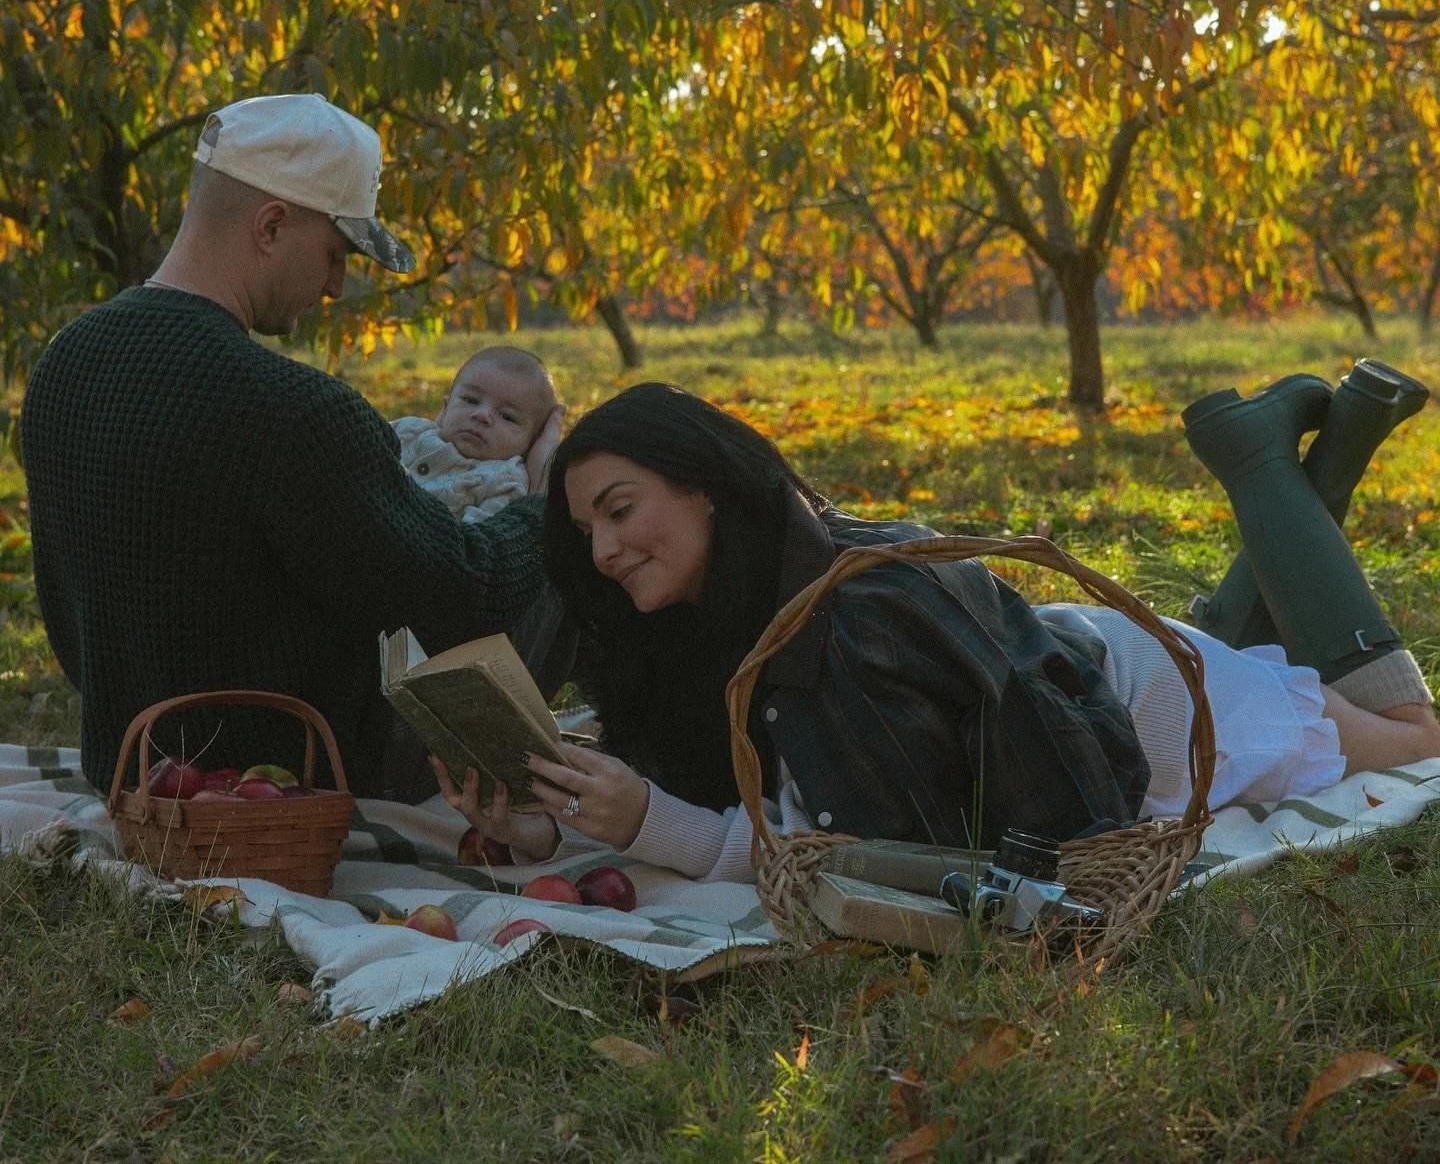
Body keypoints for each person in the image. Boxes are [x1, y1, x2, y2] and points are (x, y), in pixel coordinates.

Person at [434, 378, 1440, 884]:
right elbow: (742, 791)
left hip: (1145, 704)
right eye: (583, 530)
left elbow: (881, 855)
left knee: (1414, 740)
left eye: (620, 510)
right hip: (1069, 651)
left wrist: (656, 823)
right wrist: (542, 819)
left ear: (707, 490)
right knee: (1259, 647)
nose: (603, 551)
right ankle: (1318, 452)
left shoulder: (850, 626)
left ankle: (1268, 458)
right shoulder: (709, 618)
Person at [21, 94, 563, 798]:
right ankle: (634, 789)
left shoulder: (64, 362)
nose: (337, 286)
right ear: (272, 226)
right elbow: (468, 593)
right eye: (337, 254)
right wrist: (548, 497)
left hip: (132, 760)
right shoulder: (293, 412)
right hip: (285, 776)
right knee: (553, 544)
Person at [392, 347, 563, 524]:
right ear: (446, 406)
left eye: (507, 416)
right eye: (470, 400)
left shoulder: (505, 482)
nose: (482, 415)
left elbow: (476, 542)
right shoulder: (409, 430)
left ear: (533, 443)